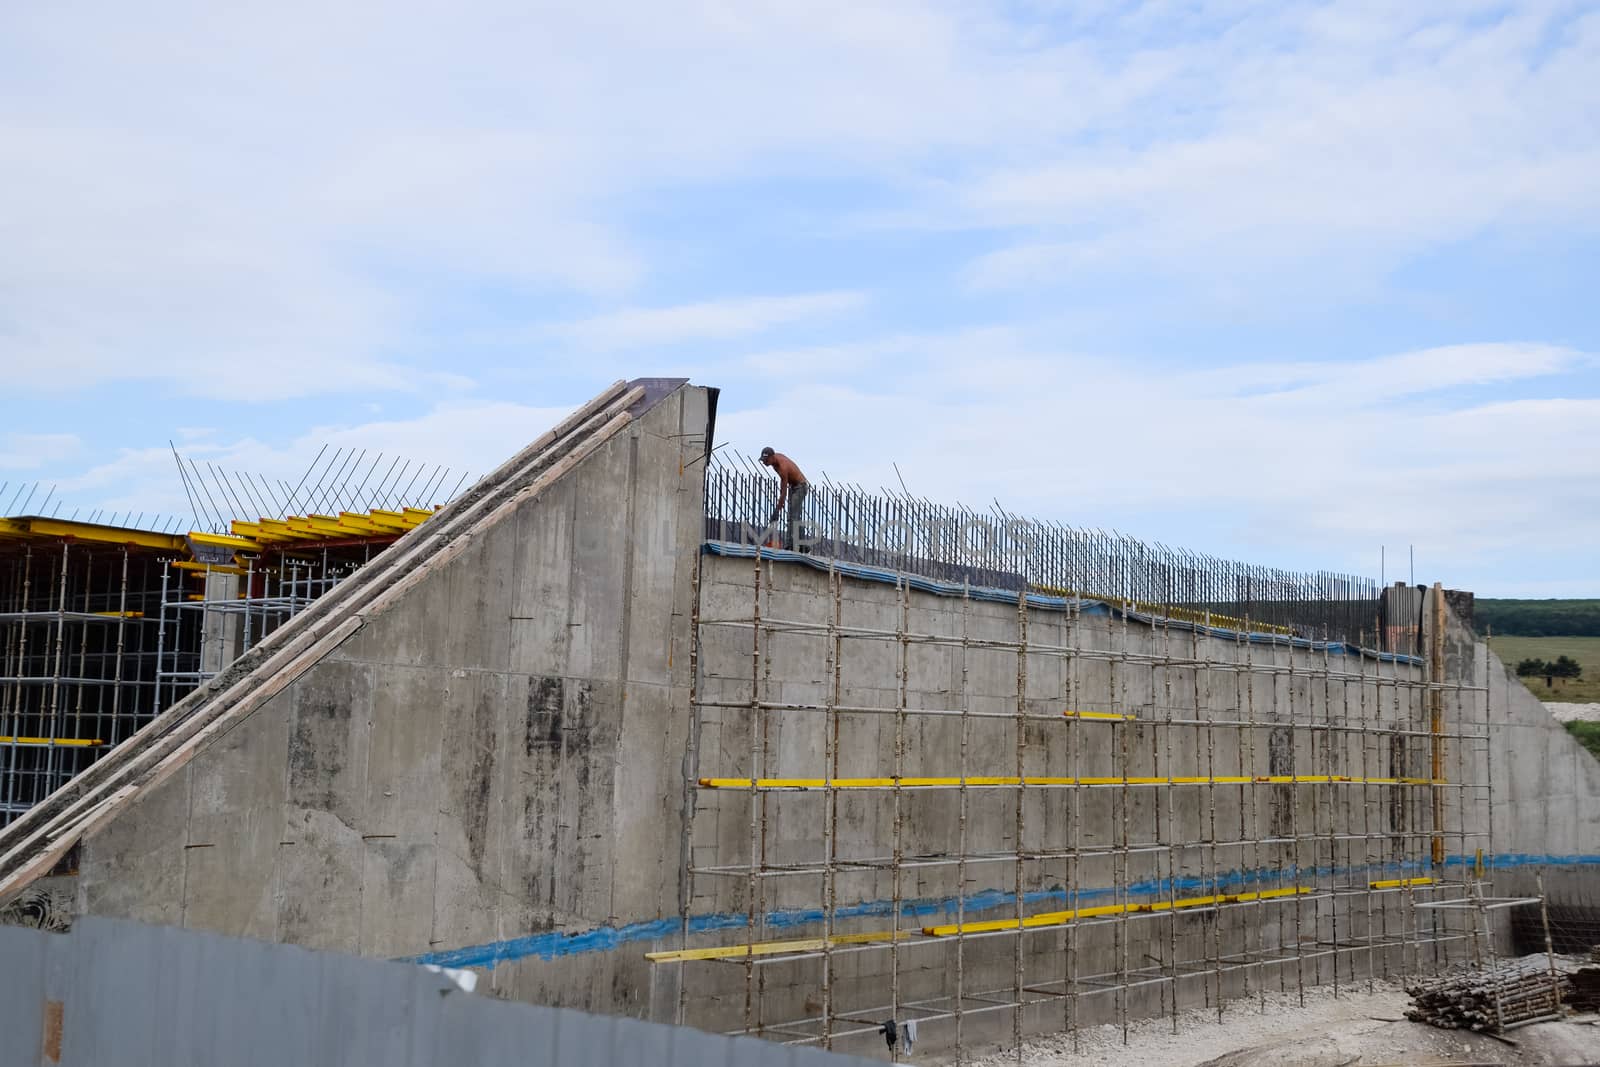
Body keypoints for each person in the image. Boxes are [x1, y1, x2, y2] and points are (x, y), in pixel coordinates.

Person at [759, 446, 808, 551]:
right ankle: (802, 544)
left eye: (766, 460)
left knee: (792, 517)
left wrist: (777, 510)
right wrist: (778, 508)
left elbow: (783, 492)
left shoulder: (782, 467)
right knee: (794, 516)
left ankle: (792, 545)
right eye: (763, 460)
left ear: (772, 457)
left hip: (800, 487)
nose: (764, 463)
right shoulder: (775, 461)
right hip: (794, 486)